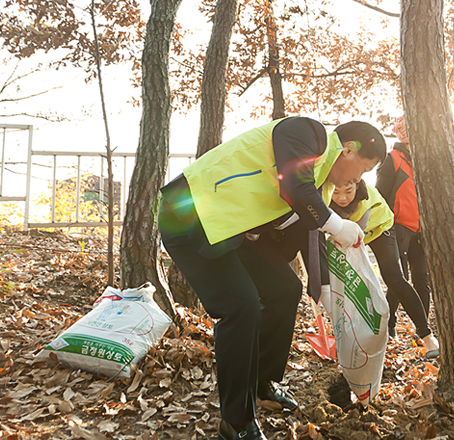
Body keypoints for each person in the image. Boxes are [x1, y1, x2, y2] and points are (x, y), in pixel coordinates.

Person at [158, 117, 385, 440]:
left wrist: (325, 291)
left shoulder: (320, 180)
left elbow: (309, 231)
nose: (358, 179)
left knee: (284, 289)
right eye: (362, 169)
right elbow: (294, 185)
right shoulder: (306, 133)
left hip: (230, 229)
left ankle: (262, 384)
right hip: (190, 214)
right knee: (241, 305)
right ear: (348, 149)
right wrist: (336, 224)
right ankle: (236, 421)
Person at [328, 179, 440, 358]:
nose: (342, 198)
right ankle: (352, 339)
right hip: (348, 233)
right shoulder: (323, 195)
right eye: (336, 192)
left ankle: (427, 336)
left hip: (380, 229)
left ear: (357, 184)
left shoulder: (367, 198)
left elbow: (357, 230)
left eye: (348, 191)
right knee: (348, 284)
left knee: (394, 278)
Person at [376, 116, 432, 338]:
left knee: (422, 278)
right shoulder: (392, 158)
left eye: (406, 124)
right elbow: (379, 194)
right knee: (400, 279)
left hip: (421, 229)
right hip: (398, 227)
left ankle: (423, 331)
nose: (401, 129)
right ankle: (389, 325)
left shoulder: (423, 160)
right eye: (398, 127)